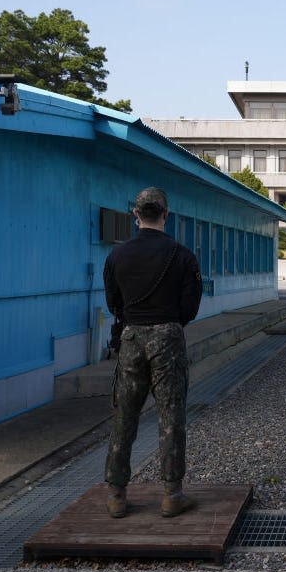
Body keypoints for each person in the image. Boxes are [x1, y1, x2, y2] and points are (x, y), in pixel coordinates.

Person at [103, 187, 203, 518]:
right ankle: (172, 494)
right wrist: (169, 322)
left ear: (136, 215)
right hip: (169, 337)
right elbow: (190, 307)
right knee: (171, 414)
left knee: (124, 414)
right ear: (165, 215)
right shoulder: (183, 256)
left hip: (131, 337)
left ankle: (117, 495)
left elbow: (113, 302)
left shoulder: (117, 255)